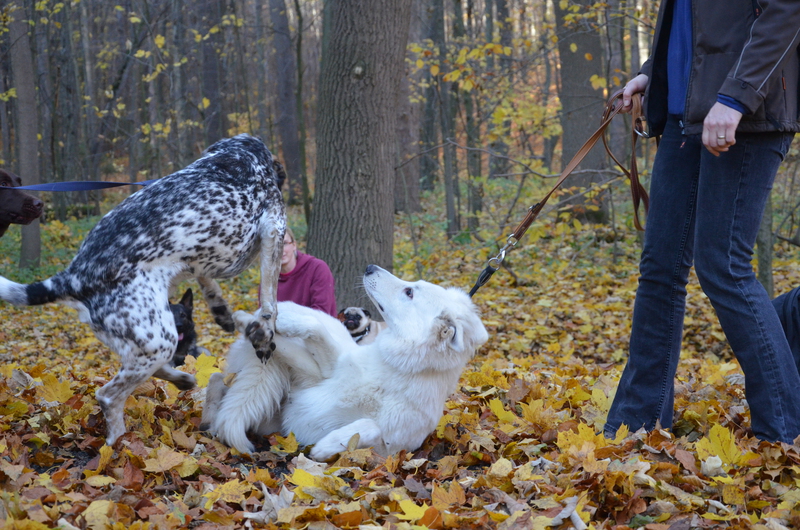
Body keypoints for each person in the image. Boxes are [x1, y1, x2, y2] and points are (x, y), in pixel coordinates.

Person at [605, 0, 800, 443]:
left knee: (723, 266)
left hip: (743, 113)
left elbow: (786, 11)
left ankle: (785, 432)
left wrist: (736, 97)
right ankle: (637, 427)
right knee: (659, 269)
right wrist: (652, 74)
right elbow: (694, 25)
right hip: (684, 116)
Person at [274, 227, 337, 317]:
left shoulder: (317, 268)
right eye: (273, 245)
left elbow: (321, 314)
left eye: (284, 243)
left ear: (294, 245)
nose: (280, 249)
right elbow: (265, 318)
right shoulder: (268, 280)